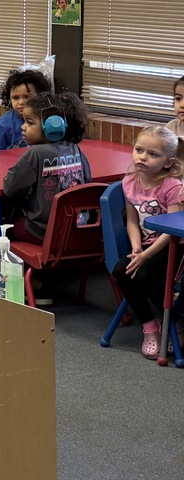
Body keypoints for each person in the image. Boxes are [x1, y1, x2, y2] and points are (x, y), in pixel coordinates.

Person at [111, 126, 184, 359]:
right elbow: (132, 220)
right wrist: (136, 247)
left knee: (142, 275)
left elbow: (172, 229)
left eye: (153, 154)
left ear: (168, 162)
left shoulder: (172, 186)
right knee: (121, 270)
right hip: (145, 244)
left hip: (172, 245)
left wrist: (147, 254)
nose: (142, 157)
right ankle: (150, 325)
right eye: (139, 150)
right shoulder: (129, 182)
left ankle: (175, 320)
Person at [3, 91, 92, 245]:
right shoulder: (75, 149)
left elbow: (10, 188)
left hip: (42, 231)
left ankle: (0, 262)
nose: (23, 127)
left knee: (6, 226)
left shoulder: (36, 153)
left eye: (30, 123)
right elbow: (87, 180)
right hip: (75, 227)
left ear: (51, 127)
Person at [0, 68, 53, 151]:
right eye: (15, 98)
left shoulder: (49, 120)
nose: (21, 102)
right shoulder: (2, 125)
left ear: (40, 96)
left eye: (27, 97)